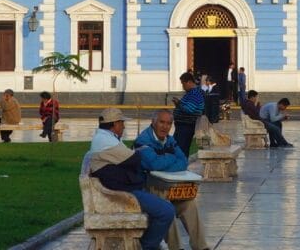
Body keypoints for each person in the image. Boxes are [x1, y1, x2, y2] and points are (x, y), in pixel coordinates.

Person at [87, 108, 175, 250]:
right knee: (167, 211)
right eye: (122, 123)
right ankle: (147, 246)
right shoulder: (106, 141)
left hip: (122, 188)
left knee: (163, 202)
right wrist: (168, 156)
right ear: (115, 124)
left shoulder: (105, 138)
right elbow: (135, 159)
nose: (124, 126)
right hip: (121, 194)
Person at [134, 109, 211, 250]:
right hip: (146, 190)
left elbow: (183, 161)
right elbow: (153, 164)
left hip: (166, 187)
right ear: (153, 122)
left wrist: (164, 160)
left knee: (189, 203)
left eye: (169, 123)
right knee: (165, 206)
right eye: (161, 122)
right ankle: (176, 248)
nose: (165, 127)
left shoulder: (169, 140)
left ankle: (201, 247)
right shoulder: (142, 141)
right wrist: (171, 158)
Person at [172, 72, 205, 156]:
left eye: (183, 84)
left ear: (189, 82)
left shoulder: (195, 94)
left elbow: (189, 109)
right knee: (178, 148)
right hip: (182, 126)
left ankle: (180, 167)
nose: (183, 87)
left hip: (186, 126)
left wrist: (179, 103)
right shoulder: (190, 94)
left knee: (181, 150)